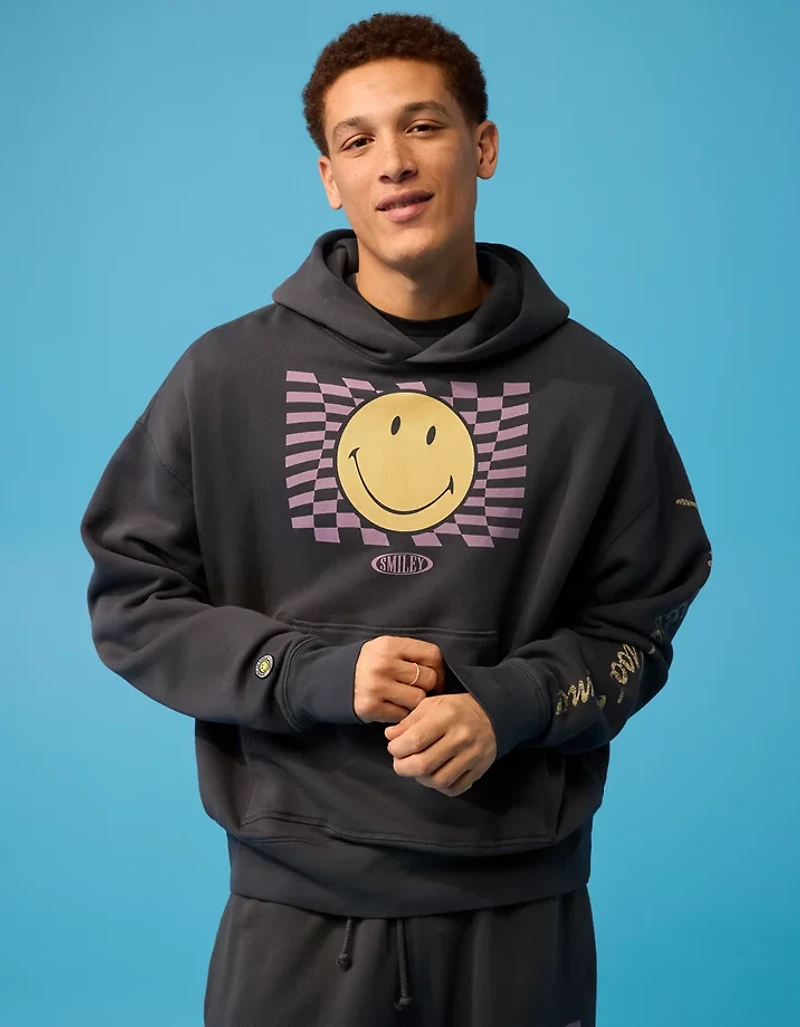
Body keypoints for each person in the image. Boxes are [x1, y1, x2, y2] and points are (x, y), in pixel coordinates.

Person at [79, 11, 713, 1027]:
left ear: (482, 146)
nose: (394, 162)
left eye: (423, 125)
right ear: (329, 177)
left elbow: (639, 624)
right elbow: (131, 598)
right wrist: (306, 672)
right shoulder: (226, 377)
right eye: (358, 139)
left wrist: (509, 704)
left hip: (519, 906)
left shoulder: (597, 392)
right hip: (294, 910)